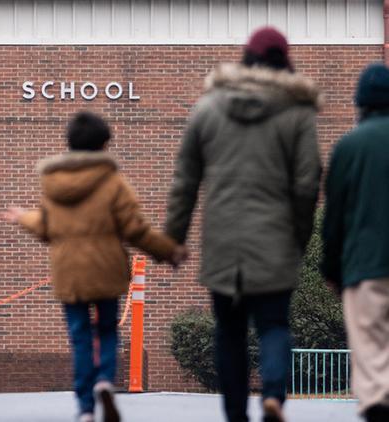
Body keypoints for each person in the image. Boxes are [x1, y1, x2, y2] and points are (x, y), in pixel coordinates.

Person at [164, 27, 322, 422]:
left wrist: (174, 238)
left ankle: (235, 414)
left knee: (229, 332)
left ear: (244, 60)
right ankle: (272, 394)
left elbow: (186, 178)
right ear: (284, 64)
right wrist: (300, 236)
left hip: (224, 241)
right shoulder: (297, 113)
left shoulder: (209, 108)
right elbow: (307, 184)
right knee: (273, 324)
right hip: (276, 239)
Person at [4, 111, 186, 422]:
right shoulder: (113, 182)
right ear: (104, 145)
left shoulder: (53, 182)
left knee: (79, 337)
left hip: (69, 272)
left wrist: (24, 217)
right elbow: (135, 229)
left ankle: (86, 408)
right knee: (106, 330)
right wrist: (168, 251)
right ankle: (104, 380)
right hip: (106, 269)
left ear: (69, 143)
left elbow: (48, 226)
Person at [321, 63, 389, 422]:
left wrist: (331, 269)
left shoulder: (349, 147)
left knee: (370, 350)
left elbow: (334, 219)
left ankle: (378, 403)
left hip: (365, 267)